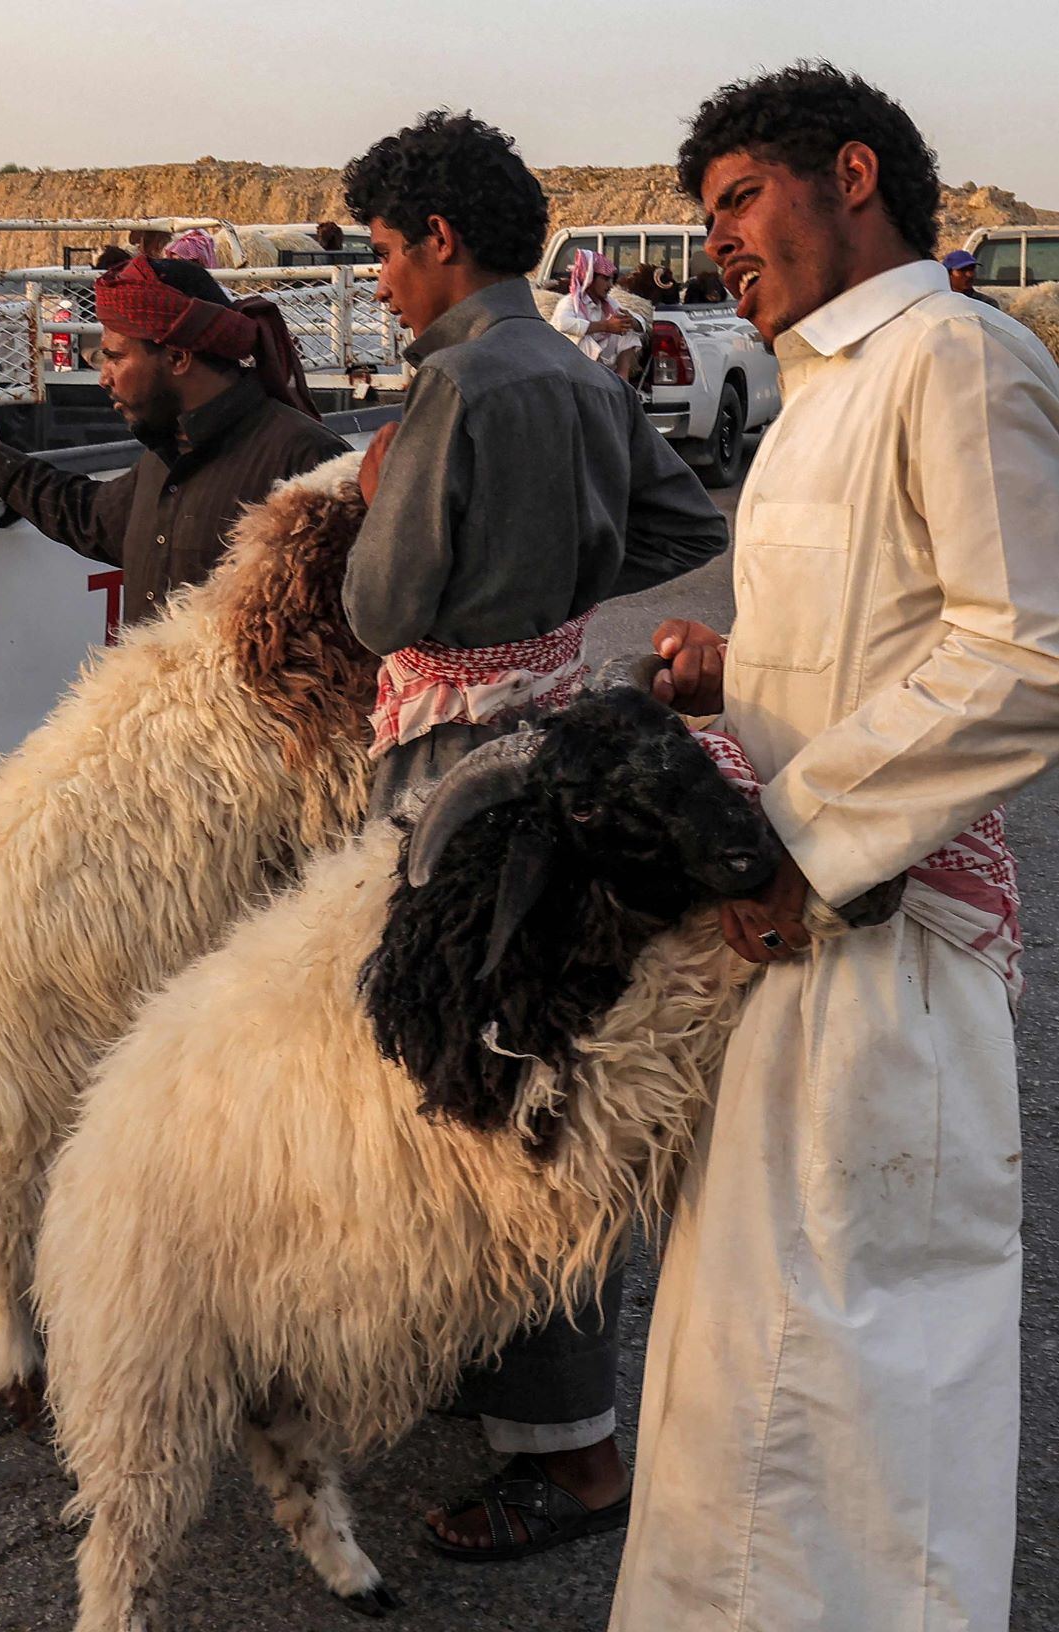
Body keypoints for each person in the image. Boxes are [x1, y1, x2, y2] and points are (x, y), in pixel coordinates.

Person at [610, 63, 1055, 1632]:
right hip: (783, 932)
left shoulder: (952, 356)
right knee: (745, 1370)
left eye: (739, 197)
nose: (719, 238)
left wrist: (798, 837)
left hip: (882, 954)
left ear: (850, 173)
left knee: (862, 1396)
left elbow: (1025, 655)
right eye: (707, 213)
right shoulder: (823, 386)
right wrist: (734, 673)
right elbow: (890, 634)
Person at [342, 108, 730, 1562]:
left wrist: (386, 499)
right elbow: (681, 520)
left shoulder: (454, 389)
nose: (377, 281)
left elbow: (378, 614)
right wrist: (558, 588)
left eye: (383, 252)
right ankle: (508, 1387)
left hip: (452, 763)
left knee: (492, 1085)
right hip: (550, 720)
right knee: (535, 1057)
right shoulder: (569, 365)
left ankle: (567, 1453)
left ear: (439, 239)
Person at [0, 254, 343, 623]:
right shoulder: (168, 452)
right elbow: (92, 517)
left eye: (114, 357)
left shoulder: (306, 463)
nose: (103, 377)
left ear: (178, 357)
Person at [554, 248, 645, 382]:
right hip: (574, 367)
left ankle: (622, 380)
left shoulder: (608, 303)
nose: (610, 286)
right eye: (605, 279)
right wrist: (606, 326)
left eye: (611, 280)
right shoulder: (570, 302)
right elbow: (563, 323)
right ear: (590, 278)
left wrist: (632, 321)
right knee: (584, 339)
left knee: (626, 327)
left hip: (601, 364)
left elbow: (640, 321)